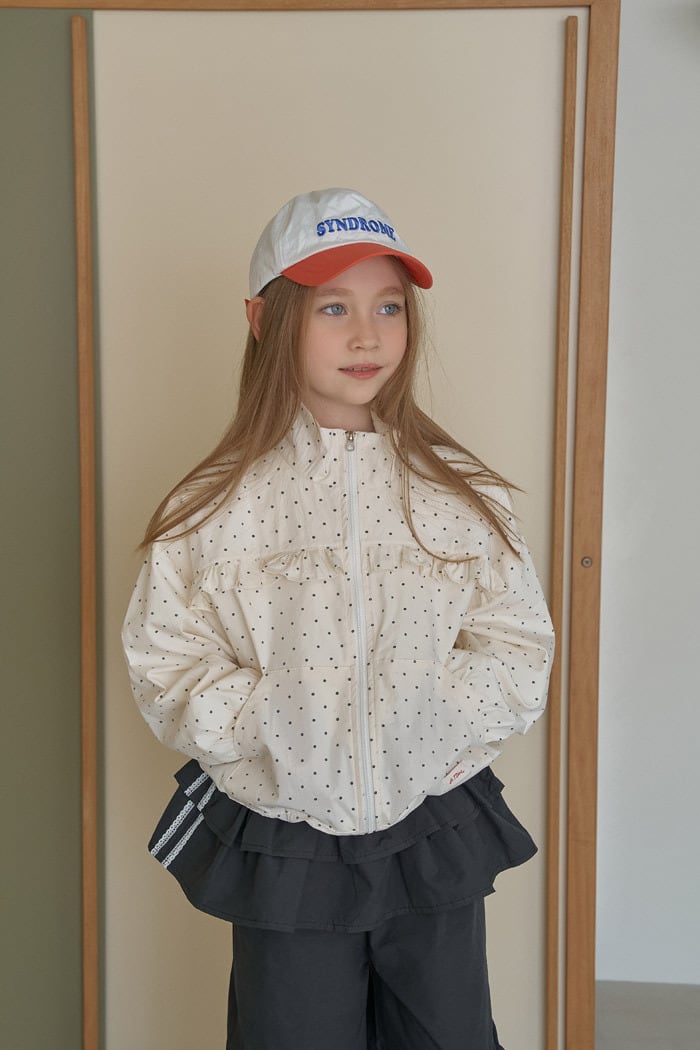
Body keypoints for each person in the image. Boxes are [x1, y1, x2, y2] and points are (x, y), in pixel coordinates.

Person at [122, 187, 555, 1050]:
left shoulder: (461, 492)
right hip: (288, 837)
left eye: (389, 307)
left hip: (430, 819)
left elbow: (516, 643)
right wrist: (272, 724)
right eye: (333, 308)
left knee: (448, 1032)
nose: (368, 335)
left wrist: (434, 715)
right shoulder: (214, 507)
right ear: (264, 319)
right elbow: (166, 662)